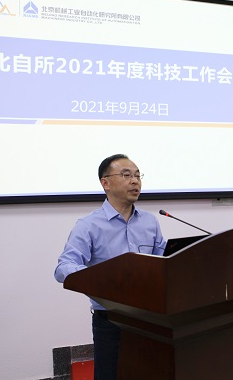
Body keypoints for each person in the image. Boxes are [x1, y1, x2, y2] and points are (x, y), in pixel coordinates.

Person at [54, 154, 166, 380]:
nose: (135, 181)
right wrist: (99, 278)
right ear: (105, 183)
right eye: (126, 175)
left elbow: (163, 260)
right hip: (110, 320)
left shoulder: (150, 221)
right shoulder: (89, 225)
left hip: (149, 317)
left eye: (138, 176)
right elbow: (64, 267)